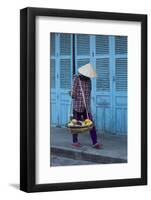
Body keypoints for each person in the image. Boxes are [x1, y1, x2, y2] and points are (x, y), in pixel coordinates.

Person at [70, 63, 102, 149]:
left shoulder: (88, 80)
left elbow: (89, 93)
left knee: (91, 124)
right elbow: (73, 92)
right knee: (75, 125)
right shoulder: (76, 79)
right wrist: (72, 94)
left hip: (86, 107)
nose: (88, 76)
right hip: (77, 106)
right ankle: (75, 141)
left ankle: (95, 142)